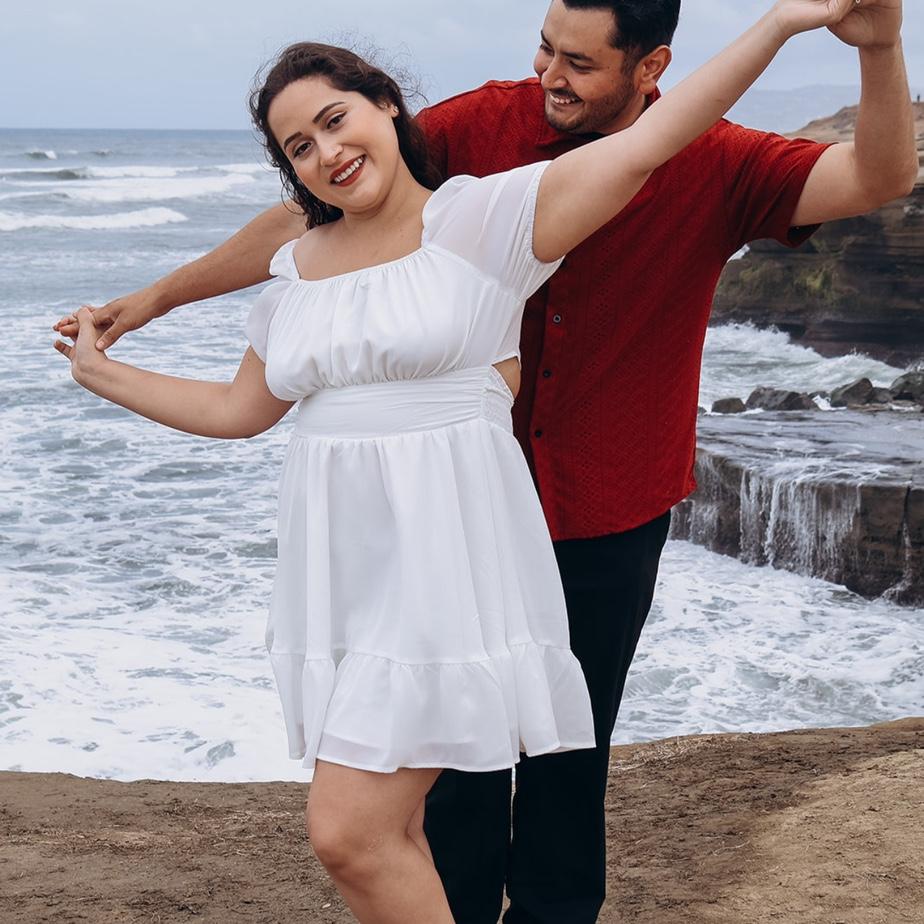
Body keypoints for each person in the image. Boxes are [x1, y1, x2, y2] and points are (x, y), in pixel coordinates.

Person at [53, 1, 918, 922]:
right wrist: (142, 314)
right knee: (436, 793)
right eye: (545, 49)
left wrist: (808, 29)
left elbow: (803, 164)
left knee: (555, 766)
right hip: (377, 558)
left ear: (649, 66)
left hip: (584, 505)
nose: (550, 74)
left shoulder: (529, 205)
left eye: (579, 62)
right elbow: (287, 274)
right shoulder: (430, 164)